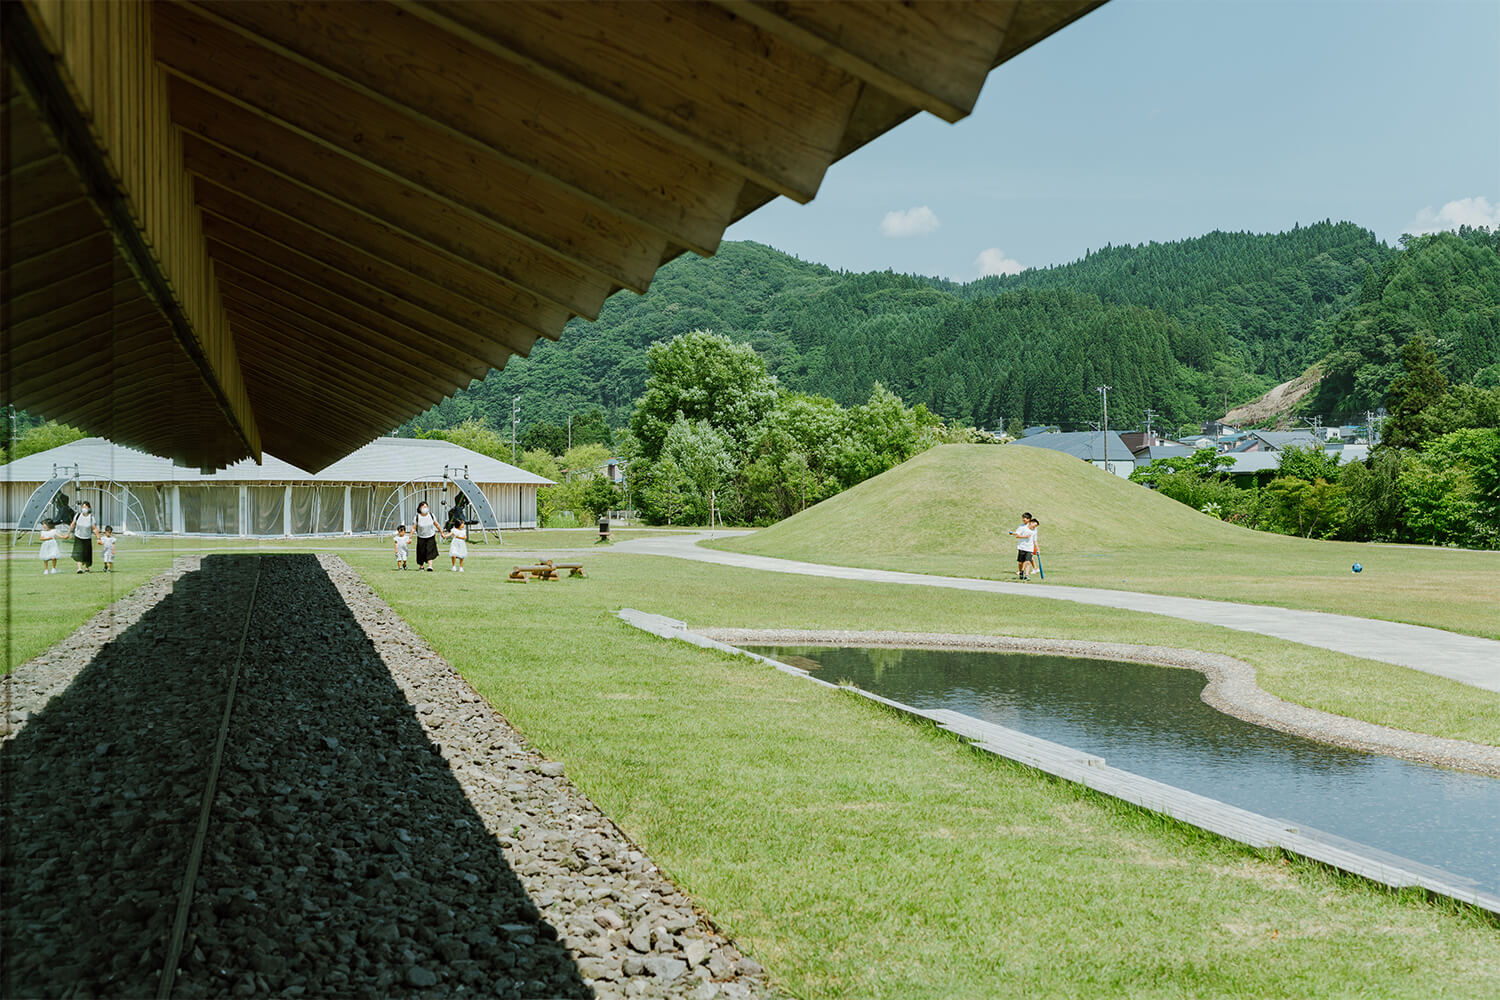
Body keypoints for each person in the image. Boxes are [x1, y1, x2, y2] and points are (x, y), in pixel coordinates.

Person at [411, 501, 446, 572]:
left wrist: (442, 533)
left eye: (426, 507)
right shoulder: (417, 517)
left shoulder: (431, 515)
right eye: (423, 507)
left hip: (430, 536)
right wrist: (410, 537)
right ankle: (421, 566)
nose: (425, 508)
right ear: (420, 508)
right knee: (421, 552)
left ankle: (430, 566)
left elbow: (437, 525)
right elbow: (413, 528)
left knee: (430, 551)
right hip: (421, 537)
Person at [70, 500, 98, 574]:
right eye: (83, 507)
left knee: (87, 554)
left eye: (85, 507)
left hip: (87, 538)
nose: (84, 508)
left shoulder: (91, 517)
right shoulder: (78, 515)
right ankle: (79, 568)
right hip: (78, 537)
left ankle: (87, 568)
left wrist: (99, 538)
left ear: (89, 508)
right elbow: (72, 524)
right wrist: (68, 533)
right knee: (78, 553)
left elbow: (94, 528)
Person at [1008, 511, 1035, 581]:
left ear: (1029, 519)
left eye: (1025, 518)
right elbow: (1017, 535)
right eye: (1023, 518)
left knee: (1028, 562)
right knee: (1020, 562)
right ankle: (1021, 573)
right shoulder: (1021, 526)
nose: (1023, 519)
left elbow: (1035, 538)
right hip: (1022, 547)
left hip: (1030, 548)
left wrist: (1036, 547)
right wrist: (1023, 536)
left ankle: (1026, 575)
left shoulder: (1033, 527)